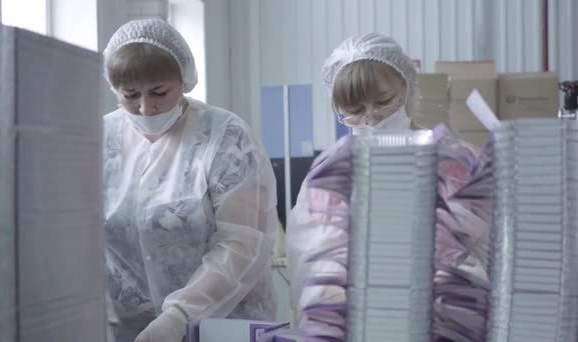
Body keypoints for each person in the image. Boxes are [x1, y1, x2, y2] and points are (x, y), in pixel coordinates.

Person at [102, 18, 278, 342]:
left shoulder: (225, 137)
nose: (145, 107)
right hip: (127, 329)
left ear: (183, 80)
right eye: (130, 95)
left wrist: (181, 315)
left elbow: (241, 244)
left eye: (159, 91)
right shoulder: (101, 141)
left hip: (223, 323)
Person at [285, 33, 418, 341]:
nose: (371, 119)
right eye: (355, 111)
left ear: (407, 87)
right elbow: (313, 264)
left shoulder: (448, 159)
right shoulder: (331, 173)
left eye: (383, 102)